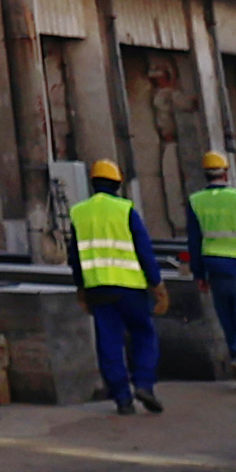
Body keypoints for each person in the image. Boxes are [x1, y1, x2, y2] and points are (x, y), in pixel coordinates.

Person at [71, 157, 166, 415]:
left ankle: (122, 397)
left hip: (98, 289)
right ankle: (144, 383)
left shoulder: (79, 213)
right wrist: (156, 284)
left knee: (109, 342)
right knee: (144, 334)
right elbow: (144, 251)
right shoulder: (126, 210)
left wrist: (81, 290)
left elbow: (75, 257)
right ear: (118, 183)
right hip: (131, 288)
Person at [184, 150, 236, 393]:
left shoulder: (195, 201)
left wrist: (198, 274)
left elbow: (194, 241)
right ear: (226, 173)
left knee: (229, 323)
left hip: (215, 271)